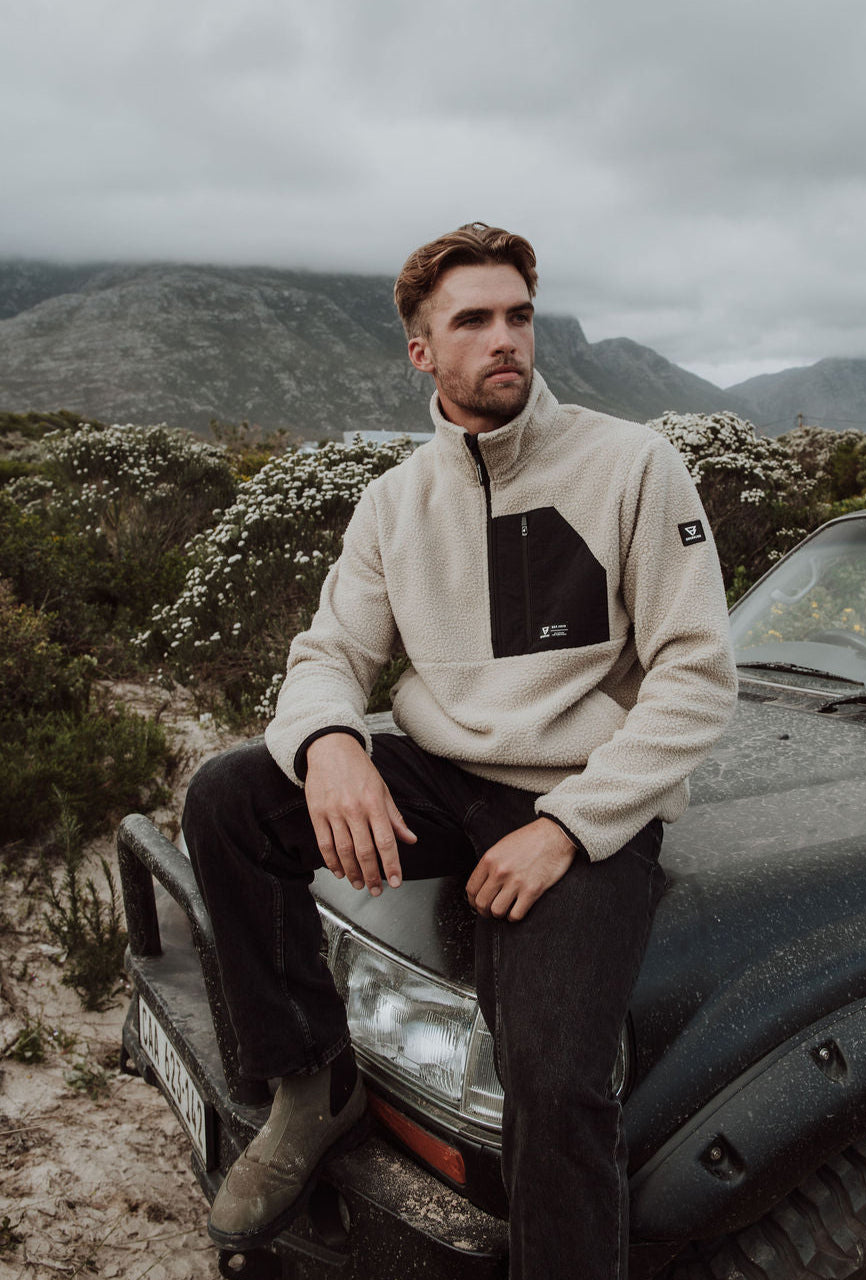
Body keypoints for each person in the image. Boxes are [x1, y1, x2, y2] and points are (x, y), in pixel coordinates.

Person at [182, 222, 738, 1279]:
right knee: (228, 797)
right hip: (442, 775)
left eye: (518, 316)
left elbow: (697, 675)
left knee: (555, 1078)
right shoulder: (394, 502)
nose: (504, 339)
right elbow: (327, 652)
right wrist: (333, 743)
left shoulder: (632, 464)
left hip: (582, 794)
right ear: (420, 351)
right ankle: (311, 1083)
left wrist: (567, 828)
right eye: (472, 320)